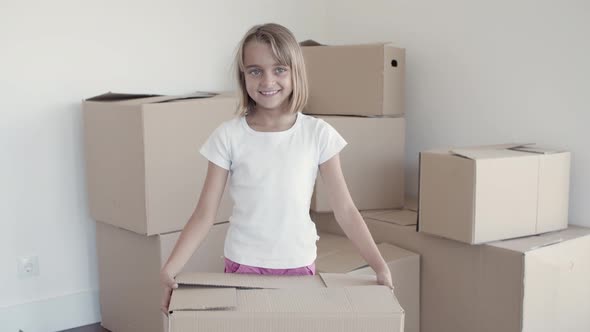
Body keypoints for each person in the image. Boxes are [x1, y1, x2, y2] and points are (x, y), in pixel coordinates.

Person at [160, 23, 393, 313]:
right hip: (243, 263)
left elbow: (345, 210)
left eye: (279, 69)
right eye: (255, 70)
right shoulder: (228, 136)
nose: (267, 80)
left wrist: (379, 266)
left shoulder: (318, 134)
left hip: (298, 264)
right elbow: (204, 214)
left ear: (295, 72)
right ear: (243, 75)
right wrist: (170, 269)